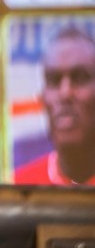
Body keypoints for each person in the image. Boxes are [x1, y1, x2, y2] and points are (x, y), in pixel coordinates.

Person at [15, 27, 95, 185]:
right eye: (53, 80)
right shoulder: (20, 185)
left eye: (80, 78)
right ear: (43, 97)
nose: (65, 93)